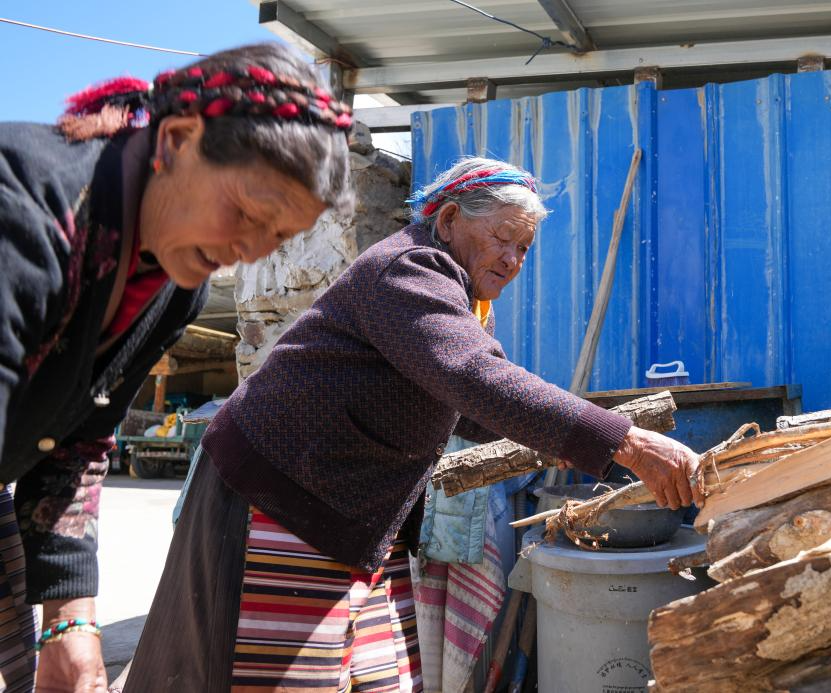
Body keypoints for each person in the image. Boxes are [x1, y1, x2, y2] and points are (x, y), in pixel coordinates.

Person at [126, 157, 700, 693]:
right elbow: (472, 375)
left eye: (524, 248)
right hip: (280, 496)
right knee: (274, 676)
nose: (513, 259)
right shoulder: (410, 268)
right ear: (448, 221)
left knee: (380, 677)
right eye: (503, 238)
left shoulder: (455, 293)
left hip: (349, 515)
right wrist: (624, 441)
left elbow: (471, 405)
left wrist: (565, 442)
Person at [0, 43, 352, 692]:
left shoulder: (170, 284)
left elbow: (77, 440)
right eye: (246, 213)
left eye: (276, 237)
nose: (249, 252)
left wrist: (69, 623)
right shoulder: (23, 204)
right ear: (177, 140)